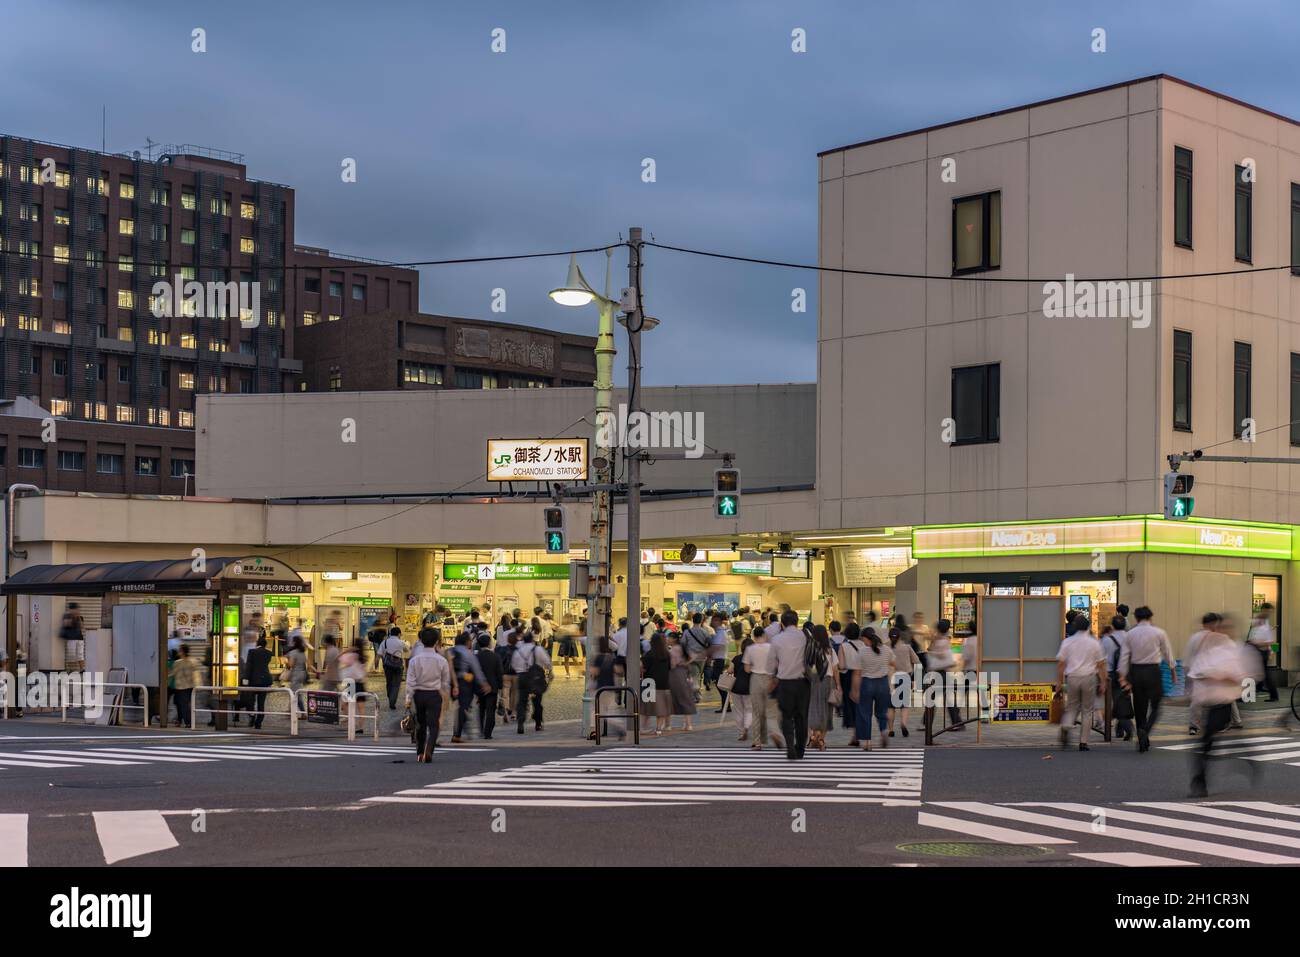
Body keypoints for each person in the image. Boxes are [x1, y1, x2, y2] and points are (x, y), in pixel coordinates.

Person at [1187, 619, 1251, 797]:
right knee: (1208, 742)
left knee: (1207, 742)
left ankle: (1200, 781)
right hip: (1210, 702)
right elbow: (1195, 672)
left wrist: (1219, 676)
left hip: (1223, 703)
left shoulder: (1233, 652)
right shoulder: (1212, 652)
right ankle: (1200, 779)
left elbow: (1239, 677)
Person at [1118, 605, 1175, 752]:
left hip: (1136, 671)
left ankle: (1142, 737)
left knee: (1140, 707)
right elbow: (1167, 652)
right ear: (1150, 617)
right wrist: (1172, 670)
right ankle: (1146, 731)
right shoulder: (1159, 632)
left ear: (1136, 618)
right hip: (1153, 671)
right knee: (1156, 706)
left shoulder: (1130, 634)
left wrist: (1123, 677)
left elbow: (1124, 657)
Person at [1056, 617, 1107, 751]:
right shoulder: (1094, 643)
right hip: (1089, 677)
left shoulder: (1067, 642)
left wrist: (1059, 682)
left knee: (1072, 706)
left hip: (1072, 677)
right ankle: (1083, 742)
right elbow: (1101, 664)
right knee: (1087, 710)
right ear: (1088, 626)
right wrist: (1103, 681)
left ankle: (1066, 726)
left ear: (1075, 626)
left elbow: (1061, 663)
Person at [768, 610, 812, 760]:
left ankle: (790, 747)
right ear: (797, 621)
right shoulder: (805, 636)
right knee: (802, 717)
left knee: (787, 716)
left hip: (785, 683)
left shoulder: (776, 639)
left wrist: (772, 679)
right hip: (803, 682)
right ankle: (800, 749)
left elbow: (771, 664)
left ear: (782, 623)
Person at [406, 628, 453, 762]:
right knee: (434, 724)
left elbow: (410, 681)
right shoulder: (441, 660)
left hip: (419, 694)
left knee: (421, 724)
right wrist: (445, 695)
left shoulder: (415, 660)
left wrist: (408, 698)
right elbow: (445, 682)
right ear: (437, 641)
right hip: (434, 694)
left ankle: (420, 752)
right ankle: (429, 749)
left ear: (421, 640)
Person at [851, 625, 894, 750]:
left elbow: (857, 673)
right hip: (883, 683)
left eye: (863, 639)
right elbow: (894, 662)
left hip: (867, 683)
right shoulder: (886, 649)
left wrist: (854, 690)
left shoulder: (863, 651)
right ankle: (883, 730)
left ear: (865, 638)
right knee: (881, 712)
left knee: (864, 713)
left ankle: (867, 742)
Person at [742, 625, 781, 751]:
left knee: (757, 712)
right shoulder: (771, 648)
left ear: (754, 636)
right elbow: (777, 664)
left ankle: (757, 742)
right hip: (770, 678)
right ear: (764, 635)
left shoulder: (750, 649)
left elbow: (747, 669)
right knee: (771, 711)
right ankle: (774, 733)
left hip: (756, 679)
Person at [451, 632, 491, 743]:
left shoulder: (450, 651)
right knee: (463, 707)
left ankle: (461, 729)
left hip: (449, 682)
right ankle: (457, 734)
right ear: (467, 642)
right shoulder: (468, 653)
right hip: (463, 682)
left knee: (456, 708)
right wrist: (484, 684)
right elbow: (477, 670)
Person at [512, 626, 552, 734]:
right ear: (532, 639)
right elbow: (548, 662)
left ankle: (520, 722)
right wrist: (549, 671)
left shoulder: (518, 651)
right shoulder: (538, 649)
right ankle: (538, 723)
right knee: (537, 701)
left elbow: (514, 665)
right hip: (535, 677)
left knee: (522, 701)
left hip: (522, 677)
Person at [926, 619, 964, 729]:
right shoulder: (943, 638)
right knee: (946, 698)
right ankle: (956, 722)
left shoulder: (941, 639)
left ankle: (927, 722)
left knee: (934, 698)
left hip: (941, 672)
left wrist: (933, 652)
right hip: (944, 672)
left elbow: (940, 654)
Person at [806, 625, 838, 752]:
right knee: (826, 710)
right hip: (827, 681)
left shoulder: (810, 649)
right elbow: (835, 669)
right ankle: (821, 739)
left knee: (813, 708)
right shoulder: (830, 650)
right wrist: (838, 685)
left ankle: (813, 735)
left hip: (814, 681)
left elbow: (806, 666)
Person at [1100, 616, 1134, 741]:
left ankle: (1126, 726)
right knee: (1123, 699)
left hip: (1111, 675)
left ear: (1112, 626)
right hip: (1128, 673)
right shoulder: (1130, 637)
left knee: (1116, 701)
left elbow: (1101, 659)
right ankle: (1120, 729)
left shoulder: (1106, 640)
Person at [586, 635, 623, 740]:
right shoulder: (611, 657)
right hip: (611, 687)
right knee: (610, 709)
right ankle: (619, 725)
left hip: (600, 688)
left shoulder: (598, 657)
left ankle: (594, 731)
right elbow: (619, 671)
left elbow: (594, 673)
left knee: (596, 710)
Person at [887, 626, 920, 739]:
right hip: (905, 677)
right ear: (900, 637)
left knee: (891, 707)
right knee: (904, 705)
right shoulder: (907, 647)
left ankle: (891, 730)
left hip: (891, 679)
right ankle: (903, 724)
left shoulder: (886, 647)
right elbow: (916, 661)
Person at [837, 622, 864, 745]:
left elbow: (841, 666)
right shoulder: (865, 645)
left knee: (851, 705)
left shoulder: (843, 646)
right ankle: (859, 733)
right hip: (863, 675)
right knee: (861, 704)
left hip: (848, 677)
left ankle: (855, 734)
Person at [641, 632, 673, 735]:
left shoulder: (649, 654)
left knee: (647, 708)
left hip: (649, 682)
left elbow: (643, 668)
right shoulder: (667, 654)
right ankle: (658, 729)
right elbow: (670, 668)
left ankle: (644, 727)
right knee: (661, 708)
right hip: (664, 683)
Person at [1247, 603, 1279, 702]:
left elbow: (1271, 640)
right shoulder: (1258, 621)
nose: (1270, 613)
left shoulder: (1264, 623)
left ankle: (1273, 695)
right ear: (1264, 610)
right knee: (1260, 673)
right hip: (1257, 650)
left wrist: (1271, 650)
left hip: (1260, 651)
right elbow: (1253, 636)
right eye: (1269, 611)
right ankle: (1260, 691)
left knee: (1262, 673)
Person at [667, 632, 698, 731]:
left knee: (676, 698)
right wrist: (685, 663)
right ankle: (688, 724)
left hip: (675, 675)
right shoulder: (682, 647)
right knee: (685, 698)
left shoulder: (674, 649)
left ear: (674, 639)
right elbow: (694, 656)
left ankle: (670, 725)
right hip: (684, 673)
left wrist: (680, 663)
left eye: (669, 638)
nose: (668, 640)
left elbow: (672, 665)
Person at [475, 633, 503, 739]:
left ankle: (481, 729)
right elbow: (499, 672)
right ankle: (488, 732)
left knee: (481, 708)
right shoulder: (495, 656)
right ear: (489, 643)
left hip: (480, 686)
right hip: (493, 686)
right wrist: (500, 686)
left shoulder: (477, 657)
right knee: (491, 709)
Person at [243, 636, 275, 730]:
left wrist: (245, 679)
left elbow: (248, 667)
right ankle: (259, 723)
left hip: (253, 680)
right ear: (265, 644)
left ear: (257, 643)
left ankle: (252, 717)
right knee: (261, 703)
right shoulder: (269, 653)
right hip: (265, 680)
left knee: (250, 702)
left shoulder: (252, 652)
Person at [728, 637, 754, 741]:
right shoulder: (753, 660)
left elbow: (729, 671)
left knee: (739, 711)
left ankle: (741, 731)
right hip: (749, 688)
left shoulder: (736, 658)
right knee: (749, 710)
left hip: (736, 688)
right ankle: (746, 728)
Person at [683, 614, 714, 700]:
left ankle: (695, 695)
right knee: (698, 675)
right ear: (701, 621)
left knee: (693, 676)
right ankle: (697, 694)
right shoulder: (705, 632)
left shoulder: (687, 632)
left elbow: (683, 644)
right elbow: (711, 644)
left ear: (692, 620)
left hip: (690, 657)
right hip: (702, 658)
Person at [378, 626, 407, 710]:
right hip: (398, 666)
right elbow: (406, 650)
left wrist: (376, 663)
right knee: (396, 684)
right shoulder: (401, 642)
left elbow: (379, 654)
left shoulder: (385, 642)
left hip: (387, 665)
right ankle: (392, 701)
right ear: (399, 634)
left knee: (389, 682)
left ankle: (390, 696)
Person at [170, 643, 198, 727]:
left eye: (180, 650)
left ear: (182, 652)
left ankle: (187, 722)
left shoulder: (178, 662)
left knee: (182, 704)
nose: (178, 651)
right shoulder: (193, 661)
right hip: (190, 686)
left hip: (180, 687)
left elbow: (173, 673)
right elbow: (196, 674)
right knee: (182, 704)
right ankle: (180, 720)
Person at [282, 634, 309, 710]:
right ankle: (290, 710)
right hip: (302, 674)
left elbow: (291, 665)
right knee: (294, 691)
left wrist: (286, 662)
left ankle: (303, 711)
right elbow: (308, 663)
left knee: (295, 693)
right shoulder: (302, 652)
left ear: (294, 642)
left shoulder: (293, 652)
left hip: (296, 674)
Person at [60, 602, 86, 672]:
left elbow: (82, 627)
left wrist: (78, 617)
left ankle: (82, 669)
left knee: (80, 654)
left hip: (80, 638)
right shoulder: (67, 616)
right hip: (71, 638)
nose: (76, 610)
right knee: (71, 655)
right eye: (74, 609)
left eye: (76, 609)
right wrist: (72, 617)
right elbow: (66, 625)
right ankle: (70, 670)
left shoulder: (80, 617)